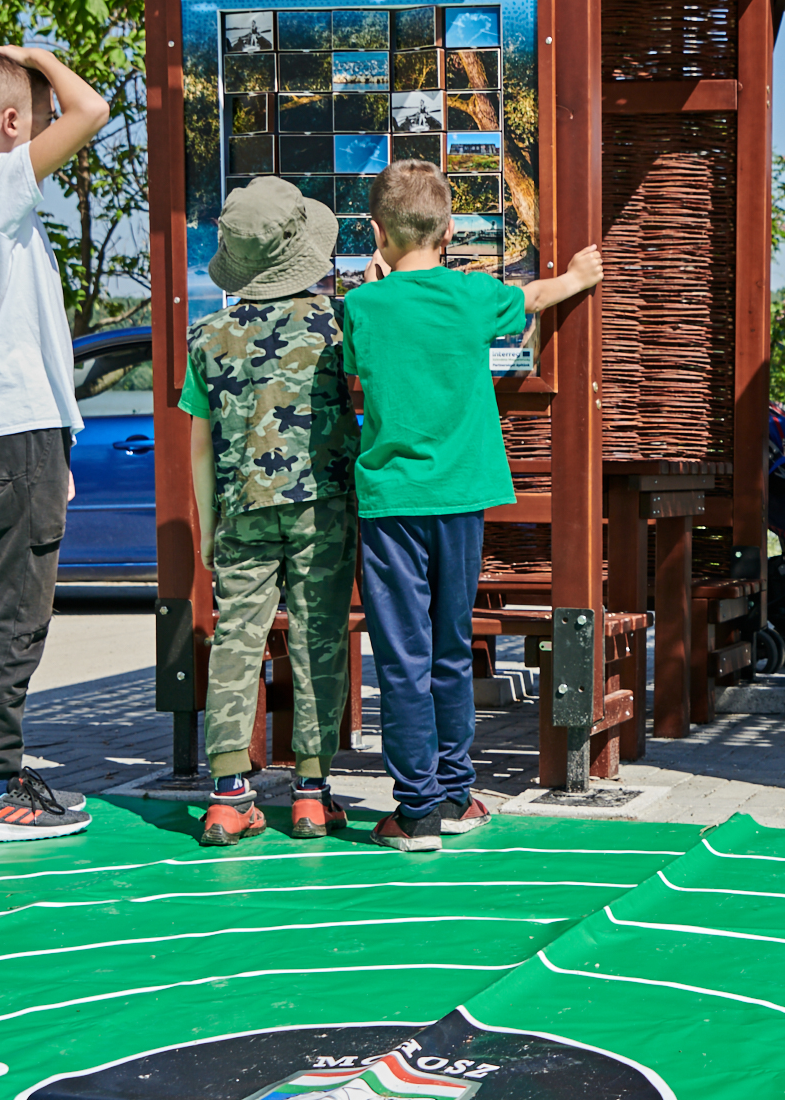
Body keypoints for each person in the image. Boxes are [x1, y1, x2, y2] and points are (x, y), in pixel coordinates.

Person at [342, 161, 602, 852]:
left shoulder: (363, 305)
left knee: (403, 657)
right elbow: (537, 295)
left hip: (392, 501)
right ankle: (457, 795)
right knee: (454, 647)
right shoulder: (472, 295)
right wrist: (579, 277)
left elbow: (356, 366)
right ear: (450, 229)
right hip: (463, 497)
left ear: (377, 231)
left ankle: (416, 809)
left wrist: (375, 283)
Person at [0, 43, 107, 844]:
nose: (50, 135)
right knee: (14, 615)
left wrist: (62, 449)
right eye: (36, 121)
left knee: (13, 609)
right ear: (10, 123)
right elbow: (94, 112)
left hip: (13, 432)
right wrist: (39, 57)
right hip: (11, 433)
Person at [180, 178, 361, 847]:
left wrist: (207, 529)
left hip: (240, 510)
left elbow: (199, 444)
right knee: (318, 639)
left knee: (237, 640)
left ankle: (228, 796)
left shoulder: (208, 335)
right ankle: (311, 795)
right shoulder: (335, 323)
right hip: (324, 507)